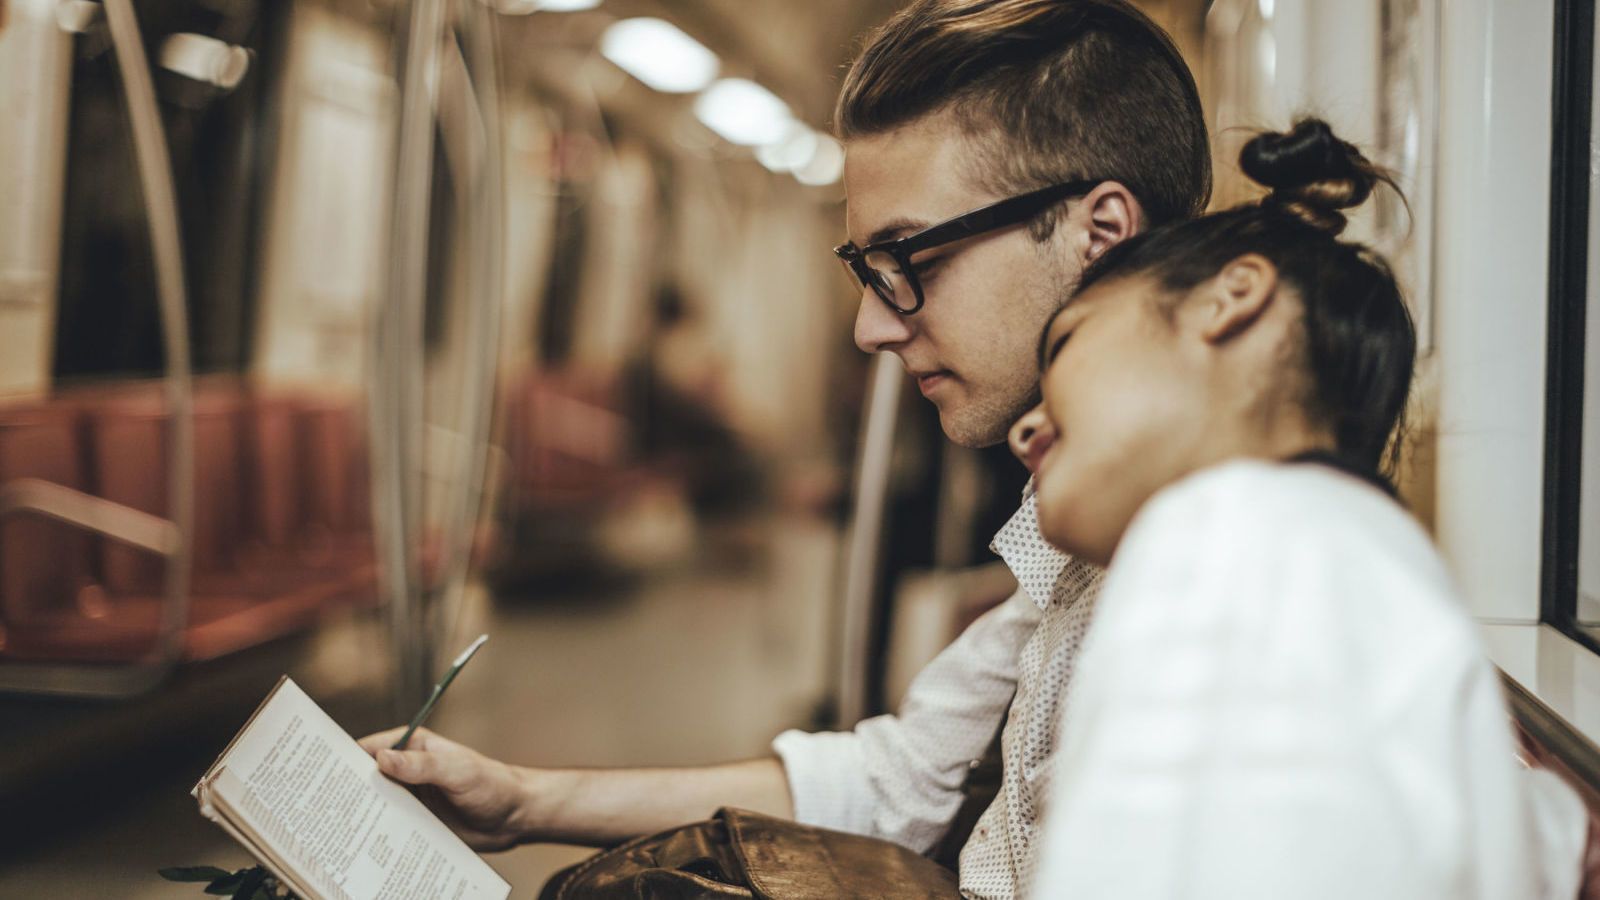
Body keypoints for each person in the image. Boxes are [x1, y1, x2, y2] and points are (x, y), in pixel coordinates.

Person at [359, 1, 1210, 897]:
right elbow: (903, 780)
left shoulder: (1209, 589)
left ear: (1100, 234)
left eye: (909, 258)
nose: (869, 326)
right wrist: (524, 801)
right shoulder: (1074, 514)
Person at [1009, 119, 1587, 898]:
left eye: (1066, 345)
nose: (1027, 427)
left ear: (1232, 297)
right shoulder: (1351, 557)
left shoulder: (1233, 538)